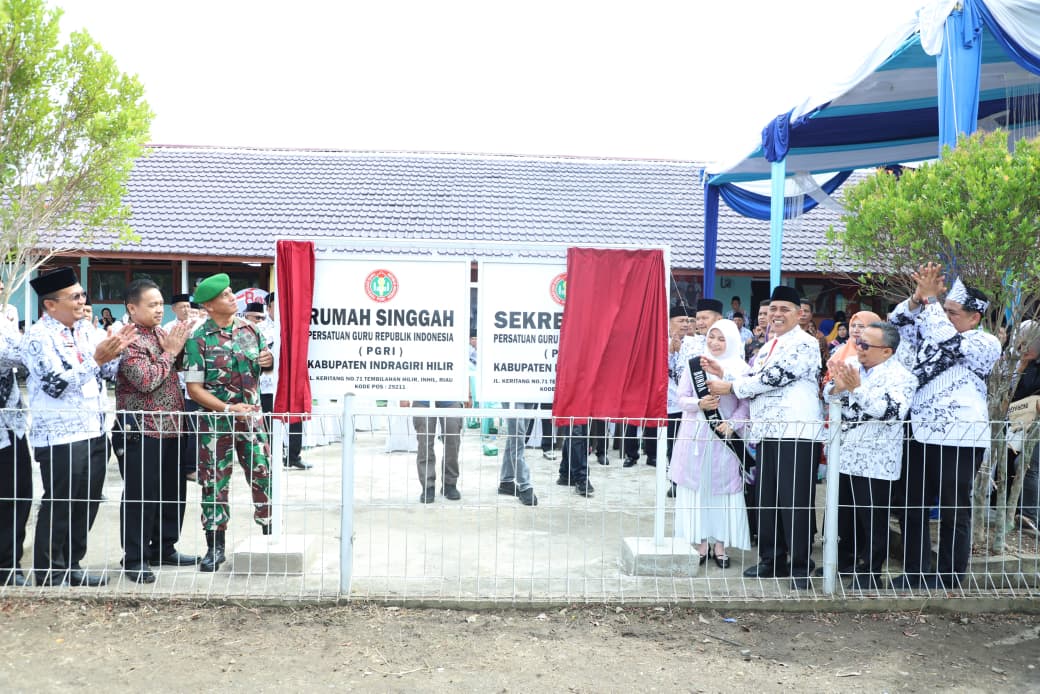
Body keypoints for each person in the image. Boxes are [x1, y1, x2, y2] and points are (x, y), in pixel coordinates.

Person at [889, 263, 1001, 590]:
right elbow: (896, 325)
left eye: (953, 312)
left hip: (959, 436)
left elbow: (951, 343)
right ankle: (915, 571)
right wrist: (917, 298)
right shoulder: (929, 328)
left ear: (974, 318)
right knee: (912, 505)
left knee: (955, 508)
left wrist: (930, 302)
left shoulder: (986, 343)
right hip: (918, 430)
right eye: (944, 309)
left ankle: (950, 575)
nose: (944, 315)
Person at [703, 285, 823, 590]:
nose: (777, 315)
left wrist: (730, 387)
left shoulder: (805, 343)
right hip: (768, 432)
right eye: (773, 310)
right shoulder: (769, 346)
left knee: (794, 502)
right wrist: (725, 374)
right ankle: (772, 559)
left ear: (799, 314)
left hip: (796, 433)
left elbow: (773, 378)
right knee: (767, 500)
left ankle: (799, 566)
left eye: (785, 310)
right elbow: (752, 377)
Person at [24, 267, 136, 587]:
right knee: (60, 503)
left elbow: (107, 373)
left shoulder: (86, 330)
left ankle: (72, 563)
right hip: (61, 435)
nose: (81, 302)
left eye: (82, 295)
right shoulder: (38, 338)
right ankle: (50, 572)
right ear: (50, 304)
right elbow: (55, 385)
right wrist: (96, 360)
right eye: (74, 297)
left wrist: (117, 352)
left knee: (87, 502)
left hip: (95, 429)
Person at [184, 273, 275, 572]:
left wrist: (269, 362)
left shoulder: (251, 329)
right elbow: (194, 389)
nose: (232, 297)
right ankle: (215, 547)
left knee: (262, 474)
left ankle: (269, 536)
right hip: (216, 424)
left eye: (231, 292)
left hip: (252, 420)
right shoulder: (198, 339)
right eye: (224, 295)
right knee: (213, 482)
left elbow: (263, 364)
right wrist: (227, 408)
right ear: (209, 306)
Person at [115, 279, 199, 583]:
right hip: (141, 429)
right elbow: (146, 380)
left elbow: (180, 369)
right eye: (152, 305)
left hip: (172, 427)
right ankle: (135, 557)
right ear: (132, 308)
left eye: (161, 304)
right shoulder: (127, 339)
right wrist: (170, 353)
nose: (159, 310)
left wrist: (179, 350)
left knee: (172, 493)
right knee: (141, 496)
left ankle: (164, 547)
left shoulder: (161, 334)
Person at [823, 321, 917, 590]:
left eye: (865, 345)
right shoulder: (852, 364)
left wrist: (856, 389)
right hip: (843, 455)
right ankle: (842, 564)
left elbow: (891, 412)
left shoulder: (902, 377)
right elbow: (828, 395)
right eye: (858, 342)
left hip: (876, 460)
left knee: (872, 521)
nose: (859, 348)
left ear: (886, 351)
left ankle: (870, 573)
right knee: (842, 517)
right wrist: (837, 388)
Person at [671, 319, 752, 568]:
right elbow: (681, 398)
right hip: (695, 438)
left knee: (723, 490)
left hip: (724, 439)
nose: (715, 343)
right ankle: (701, 542)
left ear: (733, 341)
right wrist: (699, 404)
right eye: (712, 337)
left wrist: (733, 424)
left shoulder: (741, 369)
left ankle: (720, 544)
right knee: (699, 490)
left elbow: (746, 404)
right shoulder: (695, 365)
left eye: (722, 338)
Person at [256, 294, 309, 470]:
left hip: (290, 381)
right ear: (268, 308)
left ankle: (293, 456)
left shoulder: (293, 326)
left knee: (295, 418)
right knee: (270, 421)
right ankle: (274, 457)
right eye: (275, 306)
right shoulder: (258, 329)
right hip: (268, 383)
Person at [0, 300, 29, 587]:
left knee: (18, 495)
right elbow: (18, 354)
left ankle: (8, 564)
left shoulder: (5, 319)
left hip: (12, 425)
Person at [1005, 323, 1040, 536]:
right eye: (1022, 341)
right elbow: (1008, 392)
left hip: (1035, 425)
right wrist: (1020, 366)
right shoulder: (1019, 362)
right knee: (1010, 462)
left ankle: (1030, 517)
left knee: (1026, 464)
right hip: (1017, 423)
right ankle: (1013, 513)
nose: (1025, 347)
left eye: (1031, 342)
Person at [410, 400, 464, 502]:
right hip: (423, 400)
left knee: (453, 442)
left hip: (451, 399)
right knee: (424, 444)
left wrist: (469, 395)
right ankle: (428, 486)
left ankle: (450, 484)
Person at [498, 403, 538, 506]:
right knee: (518, 436)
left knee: (516, 436)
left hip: (531, 395)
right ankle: (525, 485)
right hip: (514, 395)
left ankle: (506, 481)